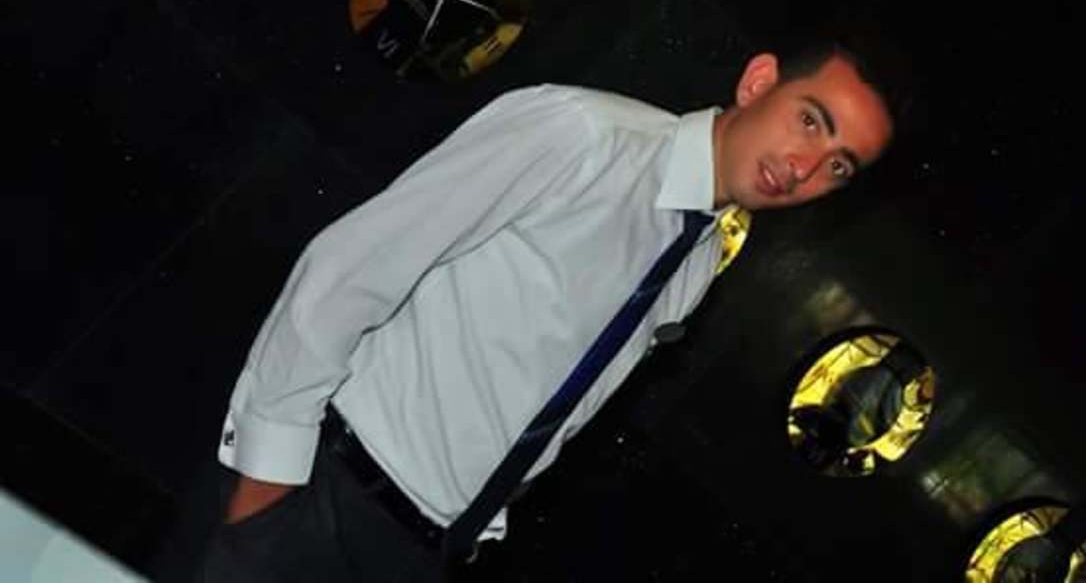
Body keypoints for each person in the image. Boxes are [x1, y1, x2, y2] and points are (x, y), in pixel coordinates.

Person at [198, 36, 899, 581]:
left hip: (414, 552)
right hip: (315, 490)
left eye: (838, 165)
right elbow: (353, 267)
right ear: (758, 81)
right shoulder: (583, 135)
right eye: (810, 121)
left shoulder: (698, 257)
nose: (804, 167)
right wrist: (267, 482)